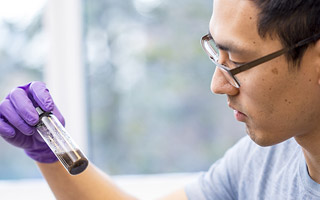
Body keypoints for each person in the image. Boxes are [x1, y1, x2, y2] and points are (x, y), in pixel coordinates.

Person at [1, 0, 320, 199]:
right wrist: (52, 152)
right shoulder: (263, 162)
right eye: (216, 51)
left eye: (236, 59)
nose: (218, 84)